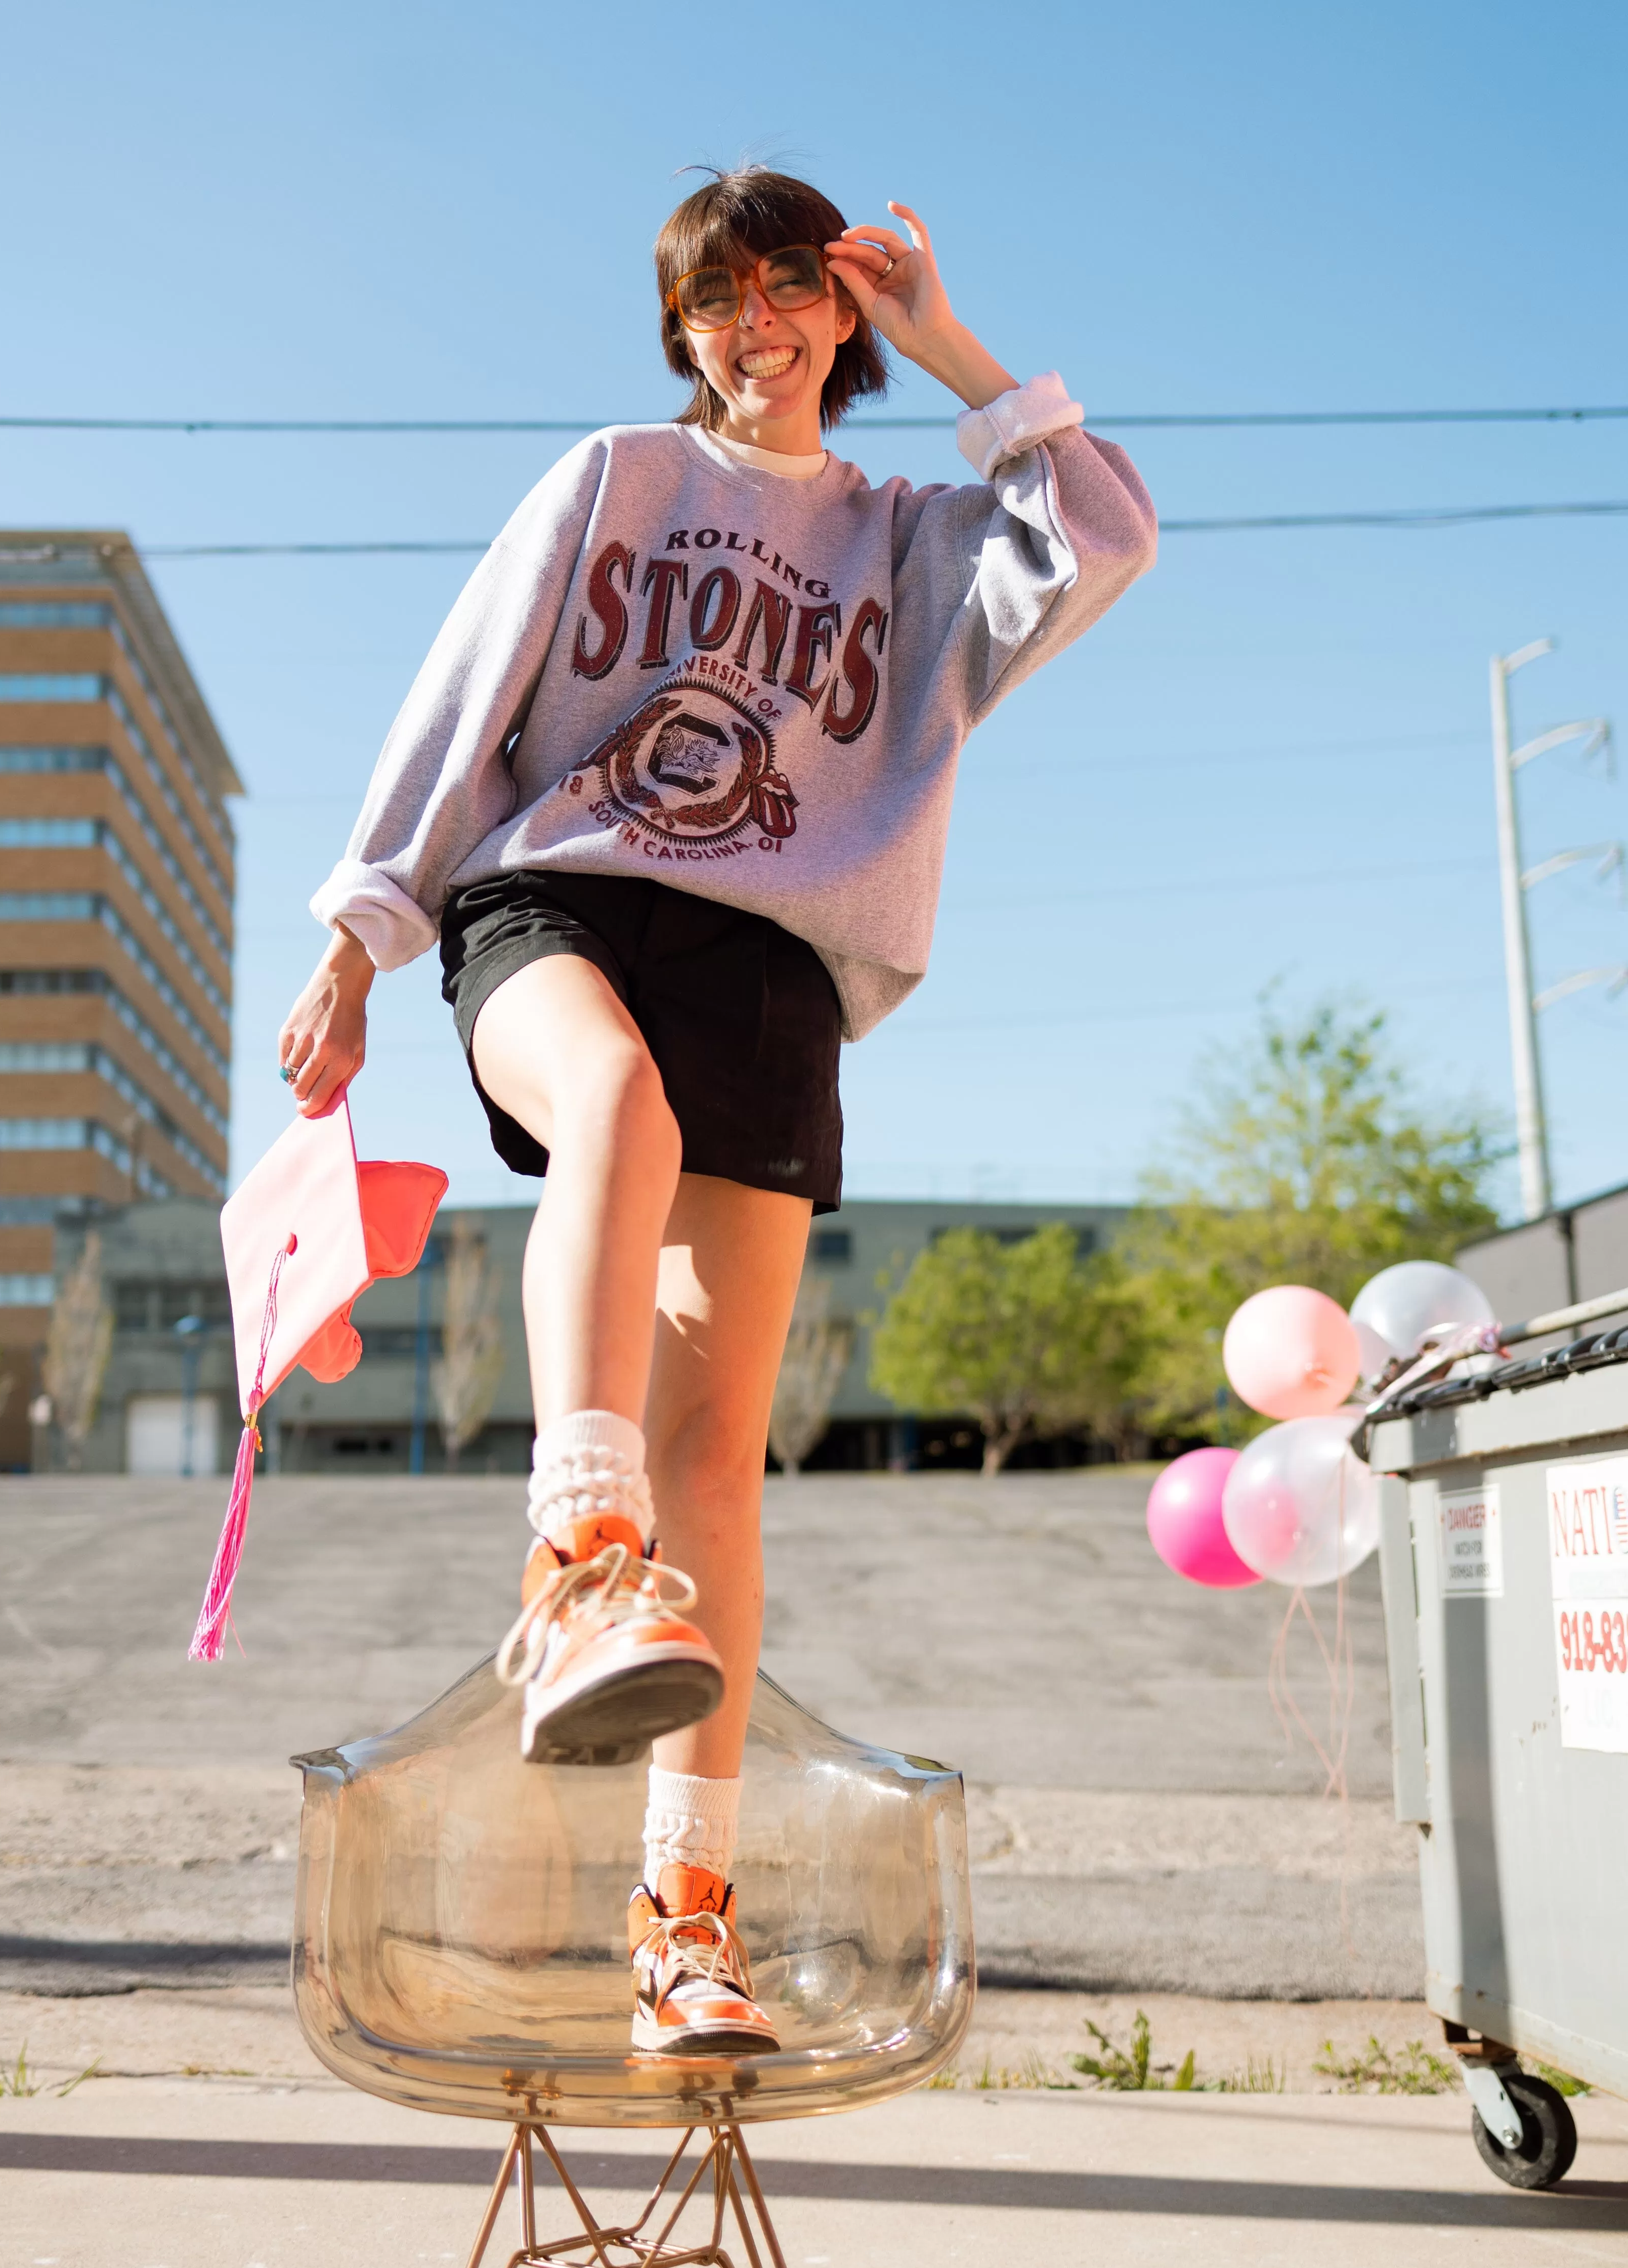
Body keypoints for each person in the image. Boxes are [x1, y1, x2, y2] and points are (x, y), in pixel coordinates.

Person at [278, 168, 1155, 2057]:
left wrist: (953, 350)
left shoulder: (918, 541)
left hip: (770, 969)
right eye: (720, 300)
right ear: (681, 331)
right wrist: (365, 933)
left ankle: (687, 1925)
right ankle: (576, 1557)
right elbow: (464, 698)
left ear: (835, 320)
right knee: (612, 1105)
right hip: (560, 903)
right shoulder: (615, 478)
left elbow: (1102, 536)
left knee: (724, 1452)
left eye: (792, 290)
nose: (757, 323)